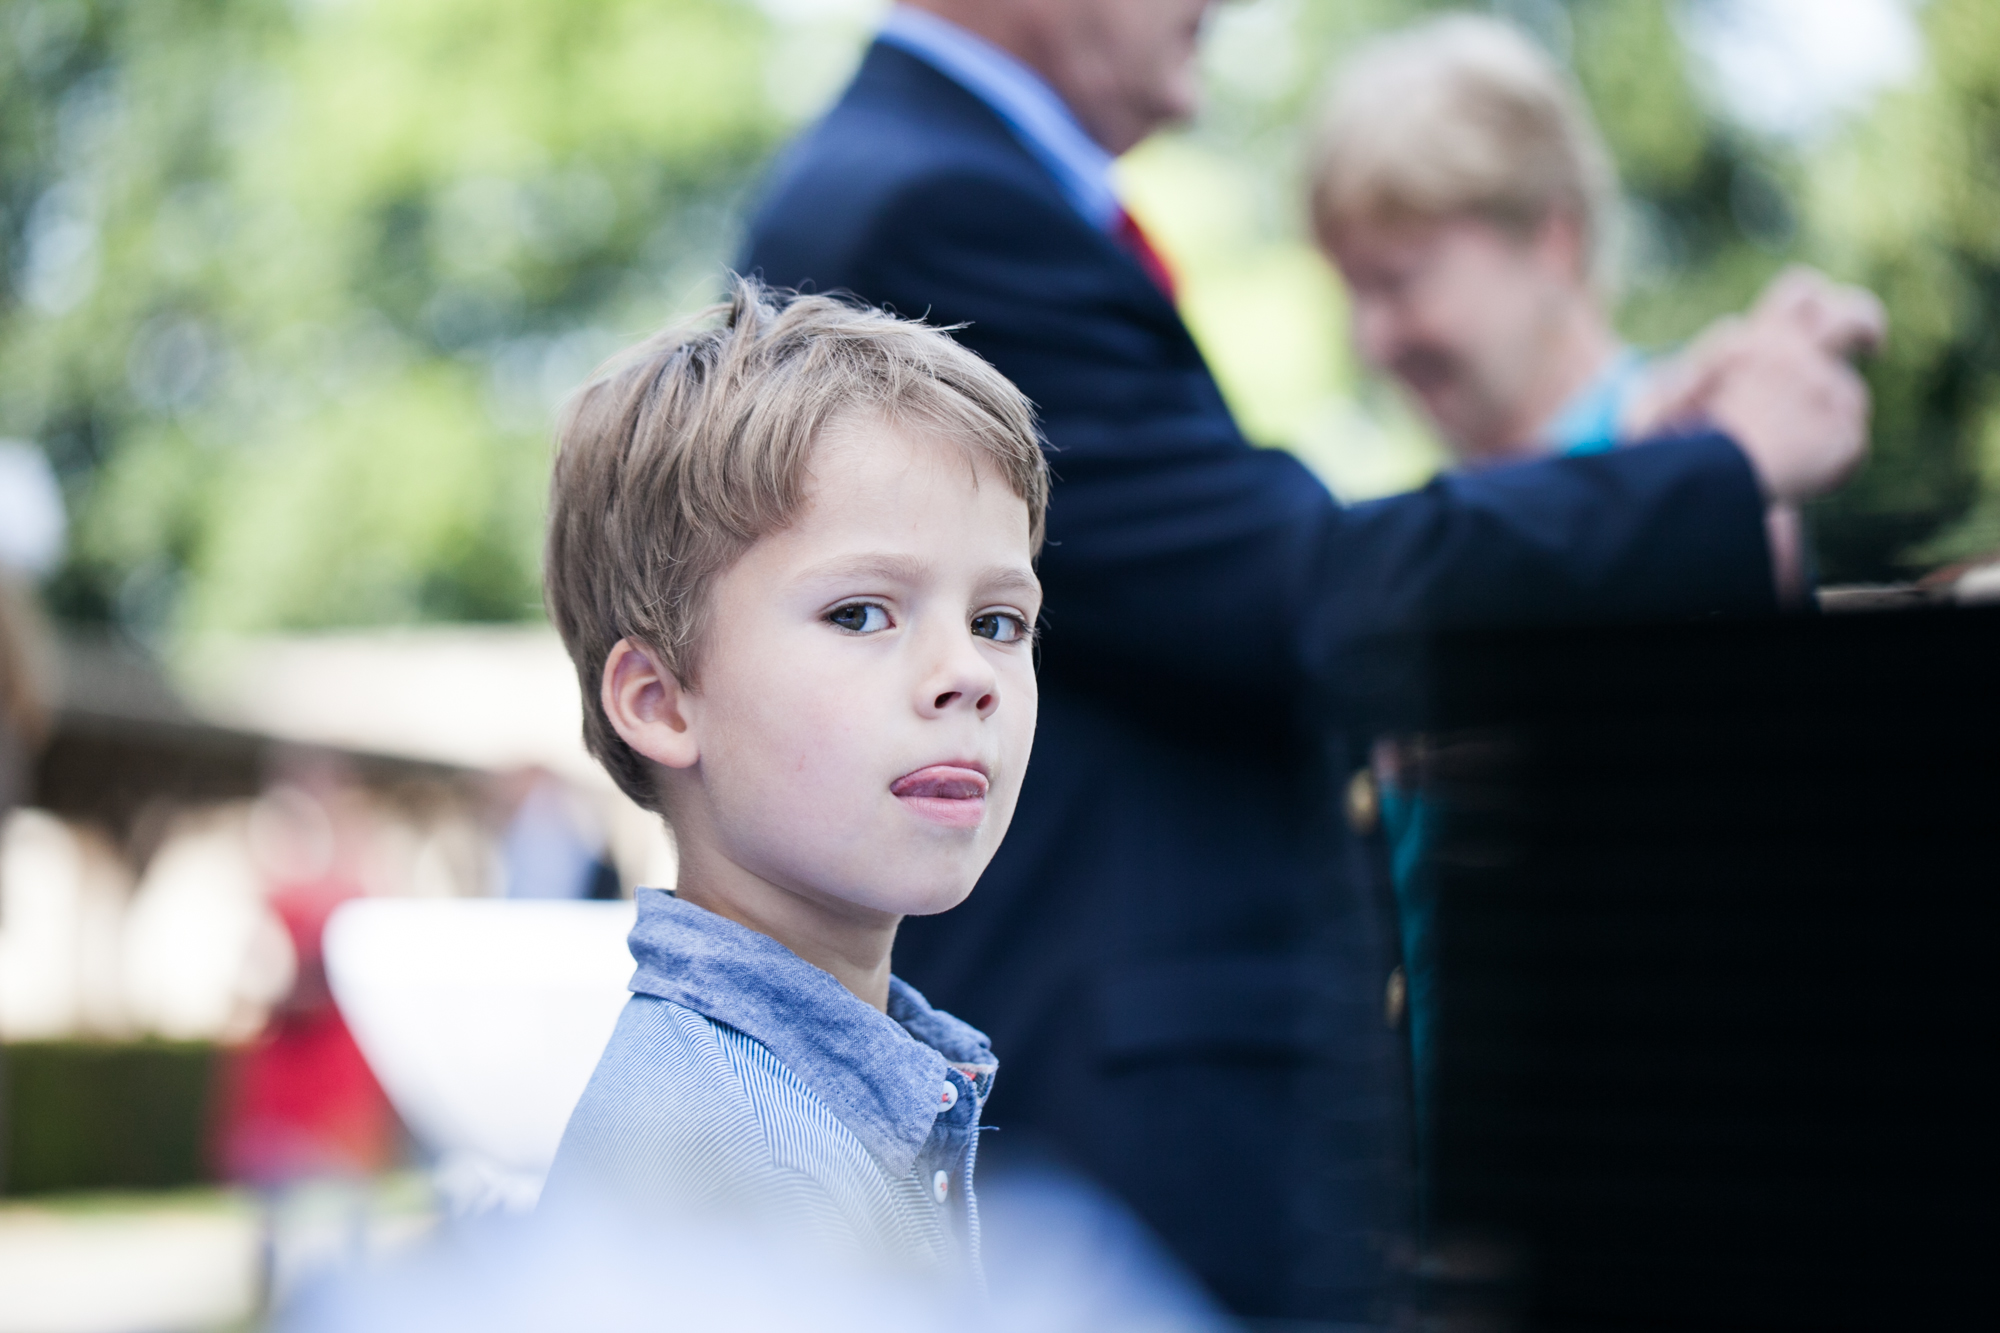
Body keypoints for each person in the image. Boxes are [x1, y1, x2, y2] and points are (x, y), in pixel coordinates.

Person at [740, 2, 1869, 1320]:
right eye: (1361, 286)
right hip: (1133, 1132)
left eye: (1407, 275)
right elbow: (1282, 593)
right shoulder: (931, 206)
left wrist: (1671, 477)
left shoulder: (917, 188)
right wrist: (1710, 473)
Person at [538, 281, 1050, 1277]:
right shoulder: (722, 1165)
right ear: (660, 699)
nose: (966, 676)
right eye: (861, 613)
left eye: (999, 622)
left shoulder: (831, 1098)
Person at [1309, 13, 1885, 600]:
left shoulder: (1708, 463)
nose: (1369, 338)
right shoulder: (1439, 536)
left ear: (1553, 241)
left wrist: (1716, 476)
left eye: (1397, 282)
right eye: (1353, 291)